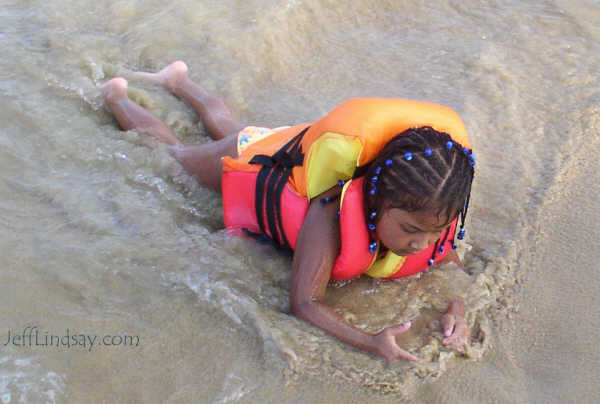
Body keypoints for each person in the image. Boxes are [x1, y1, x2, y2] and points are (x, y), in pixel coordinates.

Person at [99, 61, 474, 364]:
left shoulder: (431, 207)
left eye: (433, 232)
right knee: (174, 156)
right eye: (410, 230)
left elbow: (449, 262)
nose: (421, 244)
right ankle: (116, 96)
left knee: (227, 124)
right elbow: (305, 303)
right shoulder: (330, 211)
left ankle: (177, 79)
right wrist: (368, 341)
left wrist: (458, 309)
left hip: (287, 146)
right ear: (376, 199)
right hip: (258, 163)